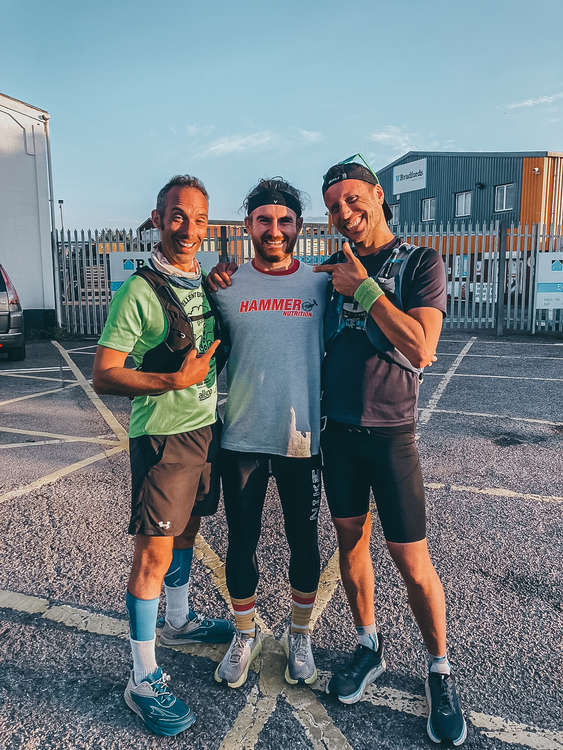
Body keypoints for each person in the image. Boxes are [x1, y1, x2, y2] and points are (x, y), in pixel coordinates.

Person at [313, 160, 467, 746]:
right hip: (339, 432)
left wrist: (366, 289)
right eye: (333, 207)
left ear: (378, 196)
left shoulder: (419, 262)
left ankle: (439, 670)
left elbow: (423, 347)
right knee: (351, 549)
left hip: (392, 434)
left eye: (353, 200)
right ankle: (367, 645)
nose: (345, 214)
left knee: (412, 563)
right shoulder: (329, 268)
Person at [92, 175, 233, 737]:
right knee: (151, 555)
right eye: (178, 217)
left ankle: (178, 620)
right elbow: (104, 373)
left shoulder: (200, 280)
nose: (189, 229)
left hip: (205, 432)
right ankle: (142, 678)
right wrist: (172, 379)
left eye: (199, 219)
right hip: (163, 440)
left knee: (187, 534)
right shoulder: (139, 292)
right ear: (157, 218)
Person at [206, 178, 328, 689]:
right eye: (263, 220)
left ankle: (299, 634)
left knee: (304, 541)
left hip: (302, 439)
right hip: (244, 437)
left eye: (284, 221)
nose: (274, 230)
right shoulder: (227, 287)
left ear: (299, 226)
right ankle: (244, 632)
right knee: (242, 542)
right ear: (248, 225)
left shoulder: (321, 284)